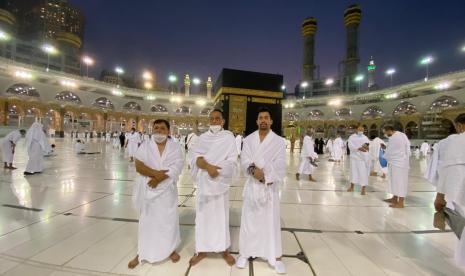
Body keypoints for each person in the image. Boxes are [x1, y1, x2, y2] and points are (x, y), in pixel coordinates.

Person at [236, 107, 286, 274]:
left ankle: (274, 256)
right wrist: (254, 172)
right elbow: (244, 160)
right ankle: (245, 252)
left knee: (270, 221)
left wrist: (264, 176)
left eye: (266, 118)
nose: (263, 120)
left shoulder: (279, 141)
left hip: (269, 188)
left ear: (271, 121)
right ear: (257, 121)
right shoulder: (249, 140)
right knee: (249, 222)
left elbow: (280, 164)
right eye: (260, 118)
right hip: (252, 186)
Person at [128, 119, 184, 269]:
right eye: (156, 128)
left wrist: (159, 178)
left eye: (163, 128)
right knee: (148, 222)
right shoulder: (145, 145)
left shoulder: (175, 147)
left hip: (167, 190)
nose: (159, 131)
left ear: (168, 131)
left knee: (168, 221)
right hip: (149, 188)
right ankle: (143, 252)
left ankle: (170, 250)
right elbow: (139, 166)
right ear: (152, 130)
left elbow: (178, 166)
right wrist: (155, 175)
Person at [189, 109, 238, 266]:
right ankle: (201, 250)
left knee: (221, 217)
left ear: (222, 121)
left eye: (218, 118)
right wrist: (209, 167)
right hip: (204, 183)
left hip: (220, 182)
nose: (215, 121)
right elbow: (196, 159)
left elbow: (232, 160)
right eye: (212, 119)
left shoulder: (229, 137)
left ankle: (223, 249)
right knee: (203, 217)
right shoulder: (202, 138)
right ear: (209, 121)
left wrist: (217, 170)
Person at [433, 113, 465, 265]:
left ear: (460, 126)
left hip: (460, 188)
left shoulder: (458, 141)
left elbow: (448, 168)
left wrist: (440, 195)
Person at [382, 126, 411, 208]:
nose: (385, 134)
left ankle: (401, 203)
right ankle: (394, 198)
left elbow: (391, 151)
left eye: (385, 132)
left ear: (389, 130)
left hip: (398, 163)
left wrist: (384, 155)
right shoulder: (402, 135)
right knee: (395, 181)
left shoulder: (394, 138)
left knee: (400, 182)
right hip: (399, 162)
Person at [347, 125, 370, 195]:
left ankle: (363, 189)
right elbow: (350, 146)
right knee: (353, 172)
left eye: (362, 130)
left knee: (363, 173)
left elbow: (368, 145)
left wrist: (366, 148)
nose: (361, 131)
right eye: (360, 130)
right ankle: (352, 187)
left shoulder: (365, 137)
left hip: (362, 158)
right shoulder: (352, 137)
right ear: (356, 130)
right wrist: (358, 148)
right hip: (354, 157)